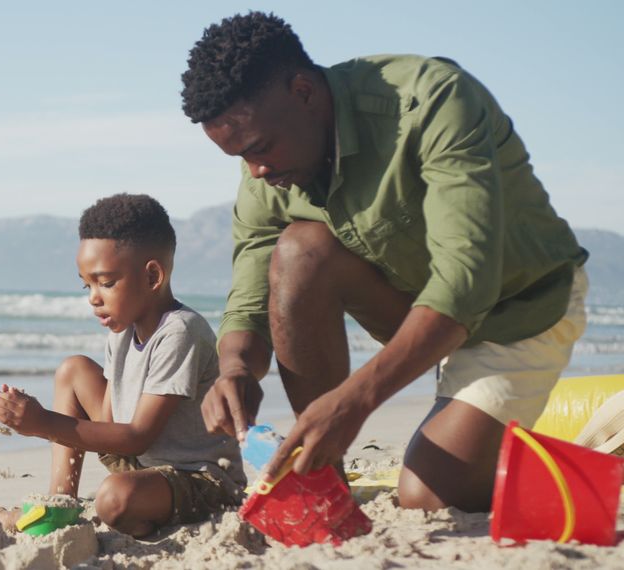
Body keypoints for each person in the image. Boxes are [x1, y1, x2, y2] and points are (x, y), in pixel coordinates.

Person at [179, 12, 588, 512]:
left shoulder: (432, 100)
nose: (255, 171)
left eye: (259, 149)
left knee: (427, 496)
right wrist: (236, 370)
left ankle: (567, 465)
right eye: (239, 158)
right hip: (417, 316)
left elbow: (465, 284)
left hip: (517, 309)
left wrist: (355, 400)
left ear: (304, 92)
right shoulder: (271, 166)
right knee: (298, 251)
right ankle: (325, 477)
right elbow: (249, 296)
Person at [0, 193, 245, 537]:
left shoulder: (181, 331)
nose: (94, 297)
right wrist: (40, 420)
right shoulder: (122, 329)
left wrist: (41, 421)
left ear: (152, 276)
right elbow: (109, 423)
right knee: (73, 369)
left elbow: (137, 437)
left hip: (199, 478)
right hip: (145, 464)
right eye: (87, 284)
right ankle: (60, 504)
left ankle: (134, 517)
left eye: (106, 283)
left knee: (113, 499)